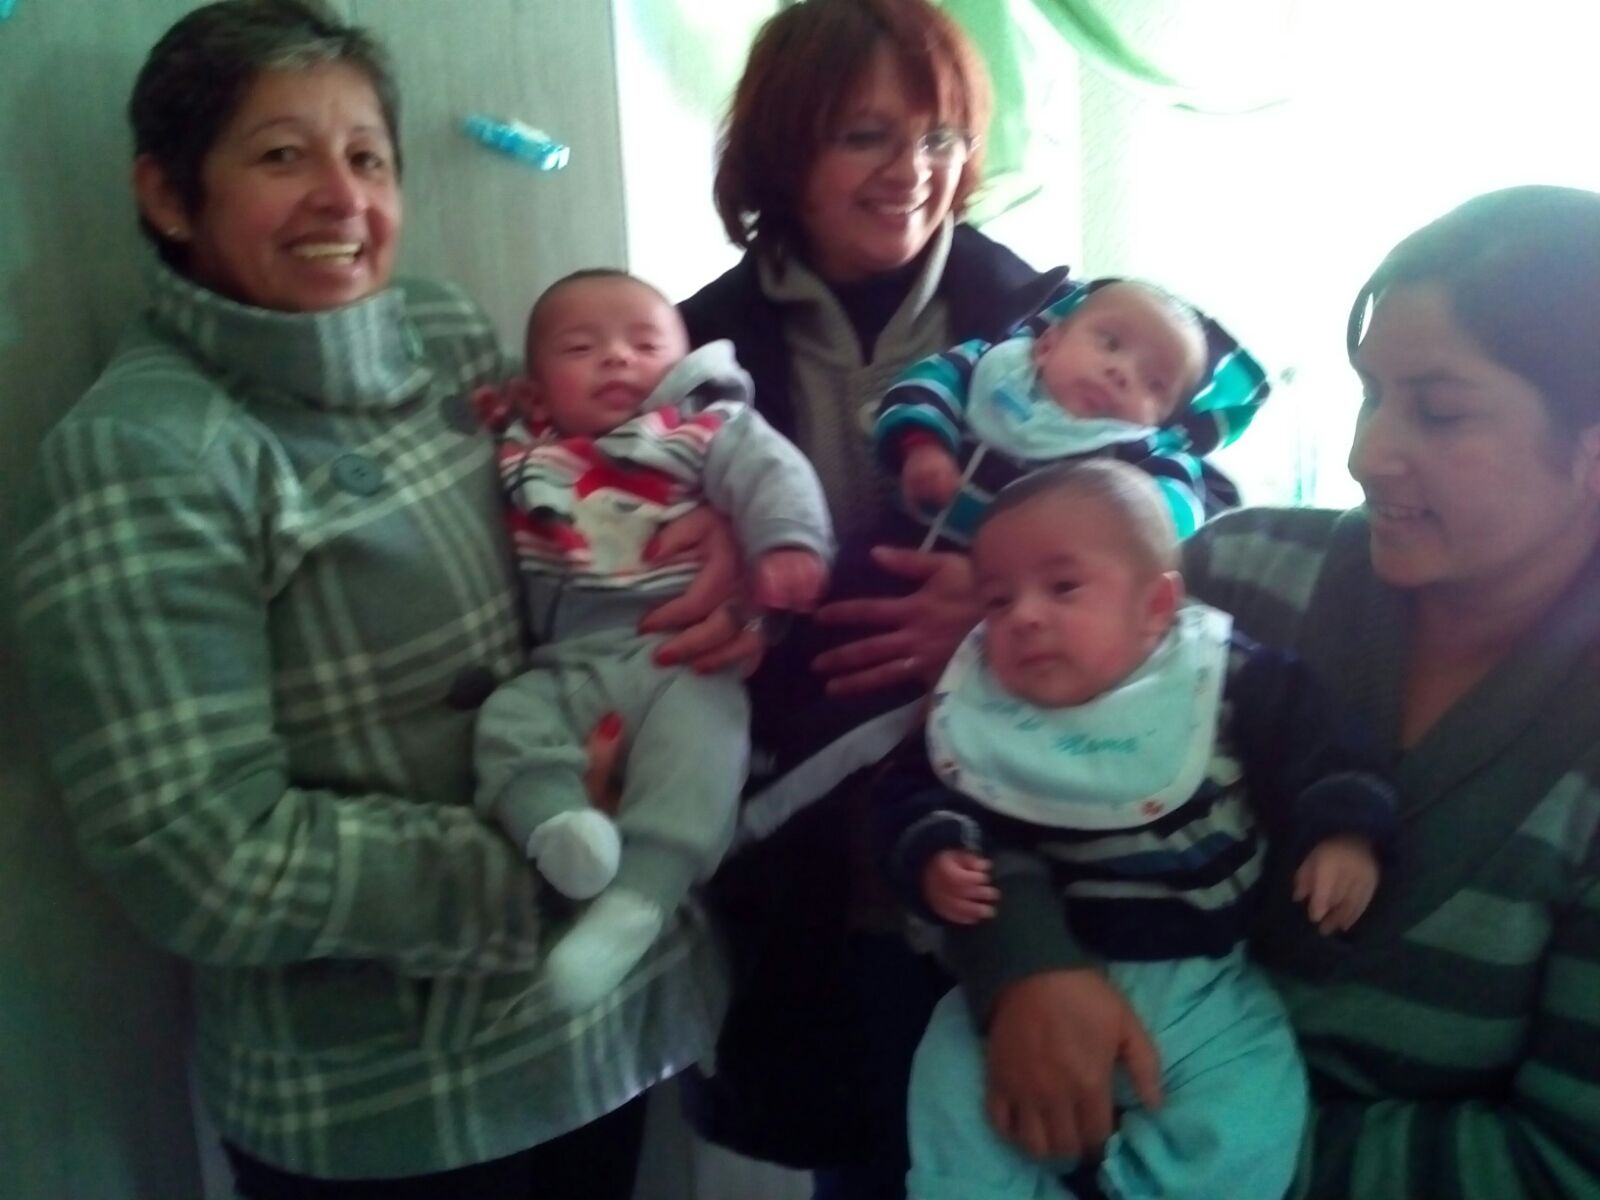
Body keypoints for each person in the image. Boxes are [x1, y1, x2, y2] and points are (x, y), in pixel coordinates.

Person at [9, 4, 757, 1197]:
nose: (341, 198)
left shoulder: (442, 331)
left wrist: (700, 534)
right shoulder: (139, 454)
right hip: (394, 1093)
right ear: (167, 194)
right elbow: (200, 857)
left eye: (366, 156)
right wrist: (540, 861)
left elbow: (581, 482)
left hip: (601, 1025)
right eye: (280, 155)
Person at [676, 2, 1260, 1194]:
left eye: (940, 137)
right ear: (784, 144)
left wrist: (1010, 608)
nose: (913, 172)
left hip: (1020, 861)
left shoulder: (1049, 326)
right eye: (866, 136)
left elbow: (1193, 525)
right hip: (799, 861)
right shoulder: (695, 343)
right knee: (855, 1158)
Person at [964, 185, 1600, 1198]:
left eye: (1439, 412)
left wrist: (1208, 1153)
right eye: (1369, 395)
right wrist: (1023, 961)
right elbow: (990, 771)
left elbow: (1566, 1161)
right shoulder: (1235, 579)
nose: (1365, 455)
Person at [875, 461, 1396, 1200]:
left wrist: (1343, 831)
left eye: (1063, 587)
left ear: (1156, 606)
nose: (1023, 616)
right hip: (1024, 979)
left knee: (1253, 1109)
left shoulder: (1222, 676)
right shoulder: (982, 709)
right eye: (997, 599)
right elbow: (916, 784)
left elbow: (1319, 740)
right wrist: (934, 847)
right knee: (947, 1078)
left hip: (1202, 987)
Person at [472, 269, 832, 1011]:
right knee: (507, 722)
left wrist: (787, 543)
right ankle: (562, 832)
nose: (617, 358)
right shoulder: (523, 439)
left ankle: (638, 901)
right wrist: (496, 411)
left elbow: (773, 474)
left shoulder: (700, 427)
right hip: (568, 664)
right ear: (536, 385)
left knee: (704, 753)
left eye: (644, 345)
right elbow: (462, 427)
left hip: (683, 659)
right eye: (582, 348)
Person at [877, 279, 1268, 548]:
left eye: (1154, 383)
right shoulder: (994, 368)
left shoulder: (1138, 455)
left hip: (1015, 602)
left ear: (1161, 420)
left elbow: (1174, 512)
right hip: (898, 535)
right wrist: (923, 446)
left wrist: (1104, 528)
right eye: (1110, 343)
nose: (1121, 372)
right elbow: (928, 383)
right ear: (1048, 343)